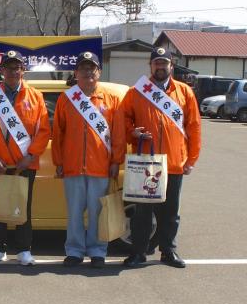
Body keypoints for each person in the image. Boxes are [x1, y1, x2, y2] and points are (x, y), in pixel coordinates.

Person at [121, 47, 201, 268]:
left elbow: (193, 127)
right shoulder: (136, 92)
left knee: (170, 212)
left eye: (164, 63)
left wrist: (191, 160)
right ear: (151, 66)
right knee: (142, 213)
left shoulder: (184, 92)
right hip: (146, 162)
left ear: (171, 66)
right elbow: (124, 120)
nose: (160, 67)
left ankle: (168, 251)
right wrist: (133, 133)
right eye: (156, 63)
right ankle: (138, 253)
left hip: (175, 162)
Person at [0, 50, 50, 266]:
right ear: (2, 70)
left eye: (17, 67)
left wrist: (31, 155)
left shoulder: (35, 96)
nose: (13, 71)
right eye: (8, 67)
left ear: (23, 70)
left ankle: (24, 249)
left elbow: (43, 130)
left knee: (23, 206)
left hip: (24, 163)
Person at [51, 51, 126, 268]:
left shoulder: (111, 99)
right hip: (73, 166)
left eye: (91, 68)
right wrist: (59, 162)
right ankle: (74, 251)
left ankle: (97, 251)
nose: (87, 72)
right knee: (74, 212)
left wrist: (115, 161)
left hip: (100, 167)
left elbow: (118, 134)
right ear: (76, 73)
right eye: (83, 68)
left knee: (97, 213)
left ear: (99, 72)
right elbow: (58, 134)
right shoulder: (67, 99)